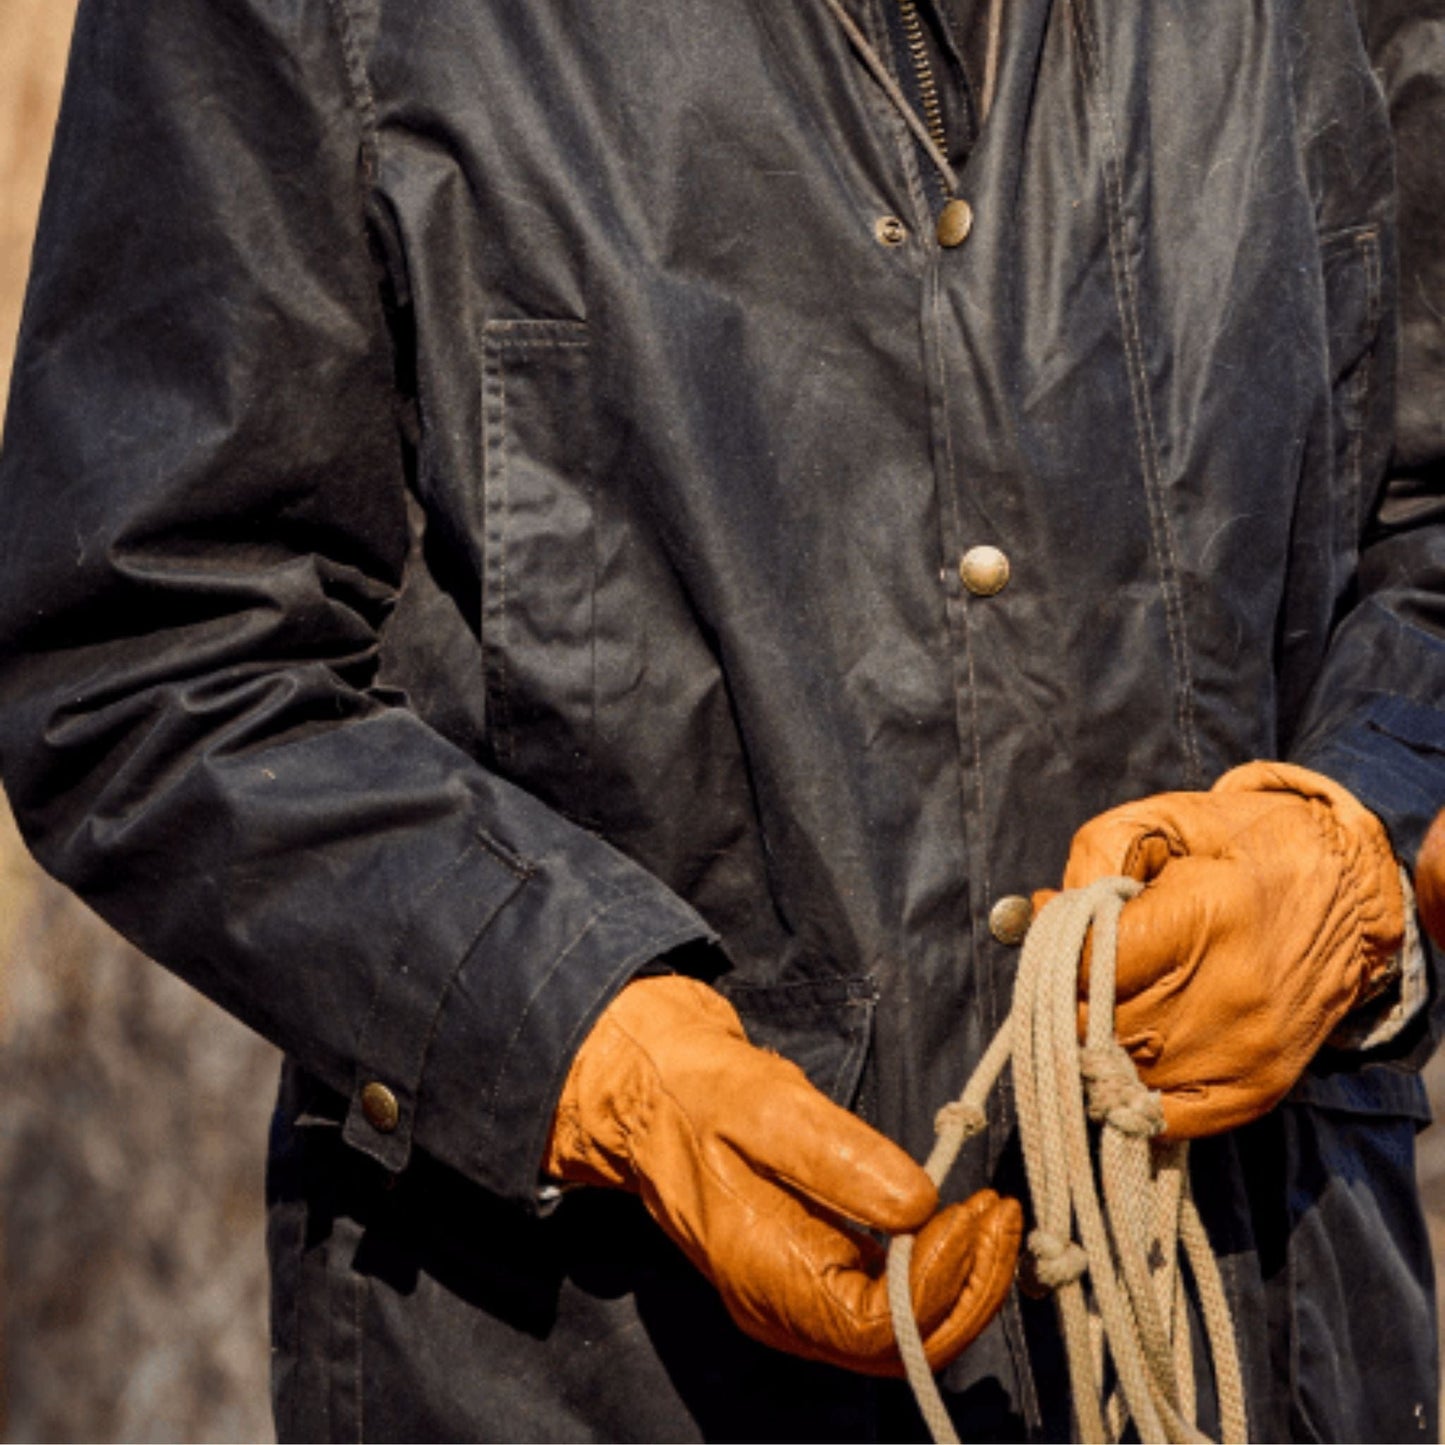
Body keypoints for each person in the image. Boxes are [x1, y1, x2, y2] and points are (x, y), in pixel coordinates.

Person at [0, 0, 1441, 1438]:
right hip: (589, 1374)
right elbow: (155, 645)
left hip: (1272, 1347)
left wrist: (1351, 851)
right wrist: (599, 1057)